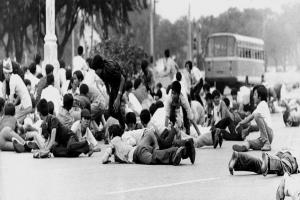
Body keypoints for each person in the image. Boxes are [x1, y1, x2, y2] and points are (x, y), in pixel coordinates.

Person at [102, 124, 195, 165]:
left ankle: (174, 152)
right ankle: (185, 151)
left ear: (111, 136)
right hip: (142, 148)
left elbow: (104, 158)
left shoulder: (113, 142)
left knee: (153, 159)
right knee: (158, 152)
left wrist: (107, 158)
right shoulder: (121, 140)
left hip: (138, 152)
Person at [233, 85, 273, 152]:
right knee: (249, 142)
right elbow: (249, 117)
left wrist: (247, 129)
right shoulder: (259, 107)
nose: (253, 97)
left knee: (257, 116)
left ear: (259, 97)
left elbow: (253, 117)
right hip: (263, 138)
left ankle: (267, 143)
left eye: (255, 95)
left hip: (268, 134)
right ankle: (244, 147)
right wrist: (240, 123)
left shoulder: (263, 104)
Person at [91, 54, 125, 128]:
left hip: (120, 85)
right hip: (114, 86)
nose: (95, 72)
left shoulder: (109, 69)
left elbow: (122, 79)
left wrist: (118, 98)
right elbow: (105, 80)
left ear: (100, 67)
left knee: (116, 107)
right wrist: (108, 90)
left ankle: (122, 127)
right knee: (111, 110)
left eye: (96, 69)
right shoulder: (100, 73)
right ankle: (118, 126)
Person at [228, 150, 299, 176]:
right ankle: (269, 158)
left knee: (260, 166)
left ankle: (239, 157)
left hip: (283, 156)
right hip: (290, 159)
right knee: (284, 167)